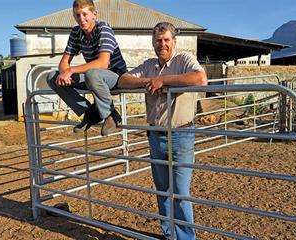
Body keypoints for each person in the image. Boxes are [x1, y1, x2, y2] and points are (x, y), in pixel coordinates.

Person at [118, 22, 207, 240]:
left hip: (180, 135)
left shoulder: (184, 60)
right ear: (153, 43)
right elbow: (123, 80)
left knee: (180, 192)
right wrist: (150, 81)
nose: (162, 44)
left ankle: (185, 238)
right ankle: (169, 235)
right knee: (162, 190)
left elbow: (200, 78)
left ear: (174, 42)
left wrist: (164, 80)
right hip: (156, 136)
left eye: (167, 40)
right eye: (158, 40)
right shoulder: (149, 65)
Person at [47, 0, 127, 136]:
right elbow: (64, 62)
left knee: (92, 74)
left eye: (85, 14)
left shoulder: (103, 29)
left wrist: (70, 70)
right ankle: (90, 113)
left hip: (115, 76)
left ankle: (111, 115)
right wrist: (64, 74)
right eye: (78, 15)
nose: (82, 19)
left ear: (94, 14)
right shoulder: (76, 32)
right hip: (94, 77)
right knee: (52, 77)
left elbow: (103, 63)